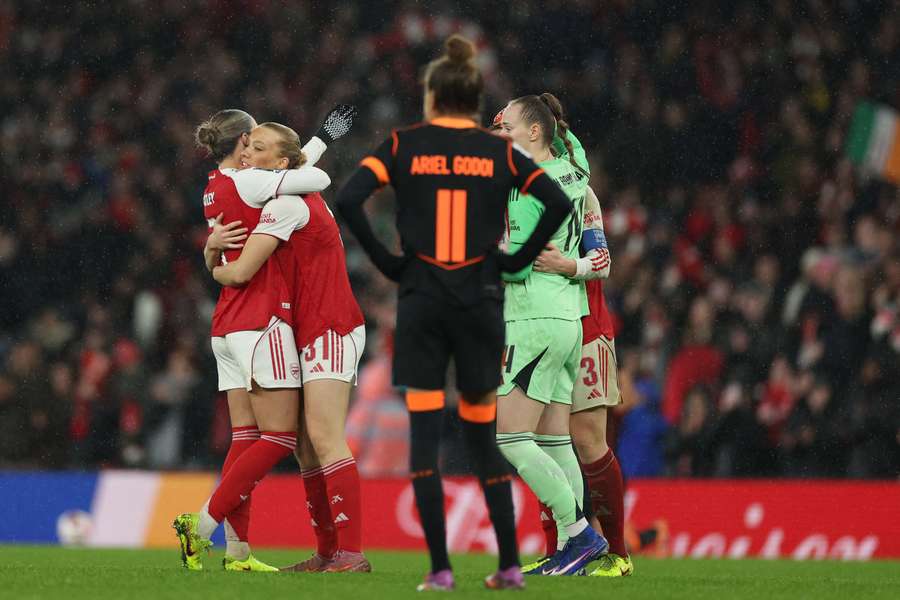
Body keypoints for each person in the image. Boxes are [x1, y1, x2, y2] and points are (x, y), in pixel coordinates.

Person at [336, 35, 571, 591]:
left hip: (420, 302)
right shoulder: (502, 152)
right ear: (472, 99)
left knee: (423, 436)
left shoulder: (402, 145)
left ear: (431, 97)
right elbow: (557, 203)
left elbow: (348, 198)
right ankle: (509, 564)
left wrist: (390, 263)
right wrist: (513, 261)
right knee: (482, 436)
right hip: (480, 303)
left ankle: (441, 569)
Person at [173, 108, 339, 572]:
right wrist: (319, 147)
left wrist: (320, 136)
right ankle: (201, 524)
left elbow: (287, 167)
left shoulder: (214, 186)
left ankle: (238, 552)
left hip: (226, 321)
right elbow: (313, 180)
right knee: (281, 437)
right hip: (260, 318)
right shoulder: (248, 181)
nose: (258, 151)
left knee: (245, 436)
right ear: (244, 142)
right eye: (256, 142)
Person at [210, 117, 371, 573]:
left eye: (257, 148)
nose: (247, 154)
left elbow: (240, 273)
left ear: (280, 164)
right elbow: (301, 162)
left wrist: (213, 262)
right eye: (247, 146)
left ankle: (351, 553)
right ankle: (326, 553)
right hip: (305, 328)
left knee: (323, 436)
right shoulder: (286, 192)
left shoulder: (287, 204)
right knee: (303, 444)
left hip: (330, 326)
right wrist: (321, 137)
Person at [493, 94, 608, 576]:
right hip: (567, 319)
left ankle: (580, 534)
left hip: (534, 318)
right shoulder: (572, 168)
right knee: (555, 440)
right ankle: (569, 549)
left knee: (510, 438)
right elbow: (573, 145)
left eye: (505, 128)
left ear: (534, 133)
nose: (497, 134)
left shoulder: (527, 191)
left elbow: (517, 265)